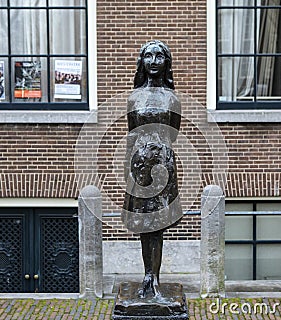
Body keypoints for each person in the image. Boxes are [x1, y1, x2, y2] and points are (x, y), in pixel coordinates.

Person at [122, 40, 183, 298]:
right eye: (149, 56)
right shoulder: (134, 97)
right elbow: (131, 134)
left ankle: (153, 278)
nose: (154, 61)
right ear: (142, 62)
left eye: (160, 56)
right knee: (144, 223)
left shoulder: (172, 98)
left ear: (166, 62)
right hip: (139, 164)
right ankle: (147, 275)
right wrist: (128, 171)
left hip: (163, 165)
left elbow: (174, 134)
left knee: (158, 224)